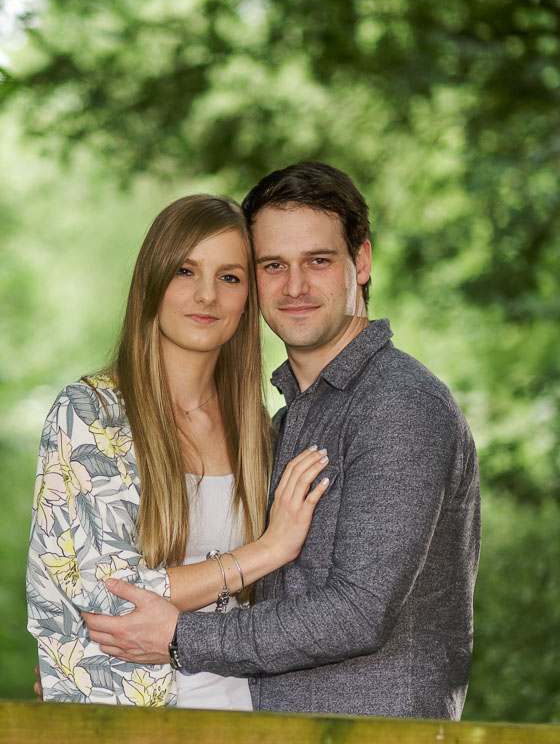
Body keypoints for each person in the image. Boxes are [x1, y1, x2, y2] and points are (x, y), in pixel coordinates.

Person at [82, 162, 482, 719]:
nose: (294, 287)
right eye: (273, 265)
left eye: (318, 261)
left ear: (361, 262)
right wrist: (96, 665)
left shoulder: (399, 404)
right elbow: (238, 582)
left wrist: (179, 638)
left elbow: (359, 611)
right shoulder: (283, 423)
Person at [26, 194, 332, 708]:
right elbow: (109, 594)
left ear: (248, 299)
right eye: (186, 271)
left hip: (245, 717)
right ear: (153, 282)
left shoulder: (260, 432)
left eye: (230, 277)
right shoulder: (90, 413)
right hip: (127, 721)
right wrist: (266, 550)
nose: (207, 296)